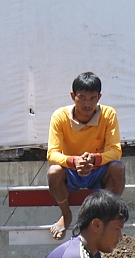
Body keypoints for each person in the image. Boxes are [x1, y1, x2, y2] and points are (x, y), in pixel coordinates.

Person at [46, 72, 124, 239]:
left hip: (98, 171)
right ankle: (66, 215)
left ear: (99, 97)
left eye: (92, 98)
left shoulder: (109, 114)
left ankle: (106, 218)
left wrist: (94, 159)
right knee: (53, 172)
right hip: (71, 171)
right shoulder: (59, 116)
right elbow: (52, 154)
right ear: (73, 96)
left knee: (118, 168)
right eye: (82, 97)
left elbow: (116, 151)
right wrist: (74, 161)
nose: (87, 104)